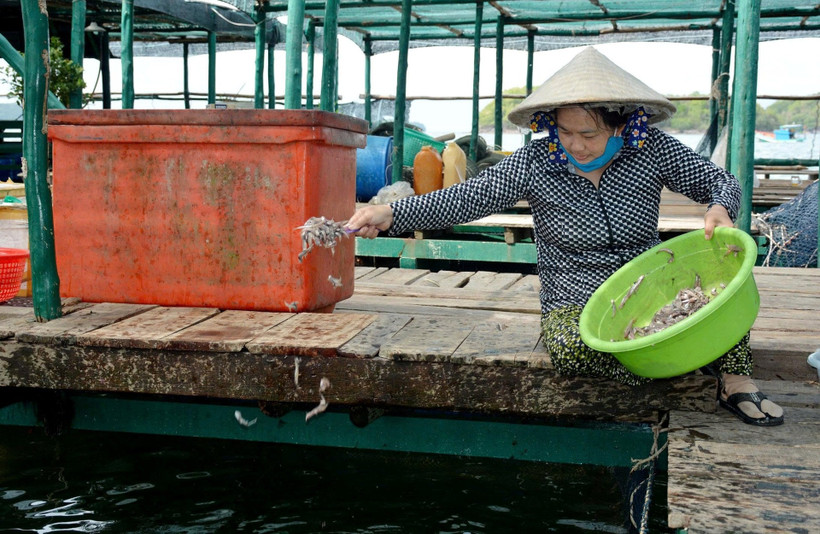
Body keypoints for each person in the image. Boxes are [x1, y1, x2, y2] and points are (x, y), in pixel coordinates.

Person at [346, 47, 783, 426]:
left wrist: (720, 206)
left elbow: (720, 181)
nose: (575, 144)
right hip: (575, 299)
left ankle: (733, 379)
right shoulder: (537, 160)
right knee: (569, 350)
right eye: (565, 131)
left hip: (647, 286)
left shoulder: (651, 149)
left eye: (589, 133)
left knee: (722, 294)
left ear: (620, 124)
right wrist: (390, 213)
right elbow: (469, 197)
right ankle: (675, 366)